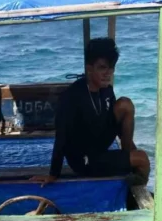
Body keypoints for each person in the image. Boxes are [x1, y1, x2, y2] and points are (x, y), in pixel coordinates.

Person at [45, 37, 150, 184]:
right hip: (84, 159)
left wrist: (127, 154)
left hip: (98, 143)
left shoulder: (106, 90)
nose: (108, 73)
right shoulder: (72, 96)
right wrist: (53, 174)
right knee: (142, 160)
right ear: (89, 68)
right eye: (102, 67)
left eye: (111, 68)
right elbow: (61, 137)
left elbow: (116, 124)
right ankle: (131, 194)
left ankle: (128, 165)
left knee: (125, 104)